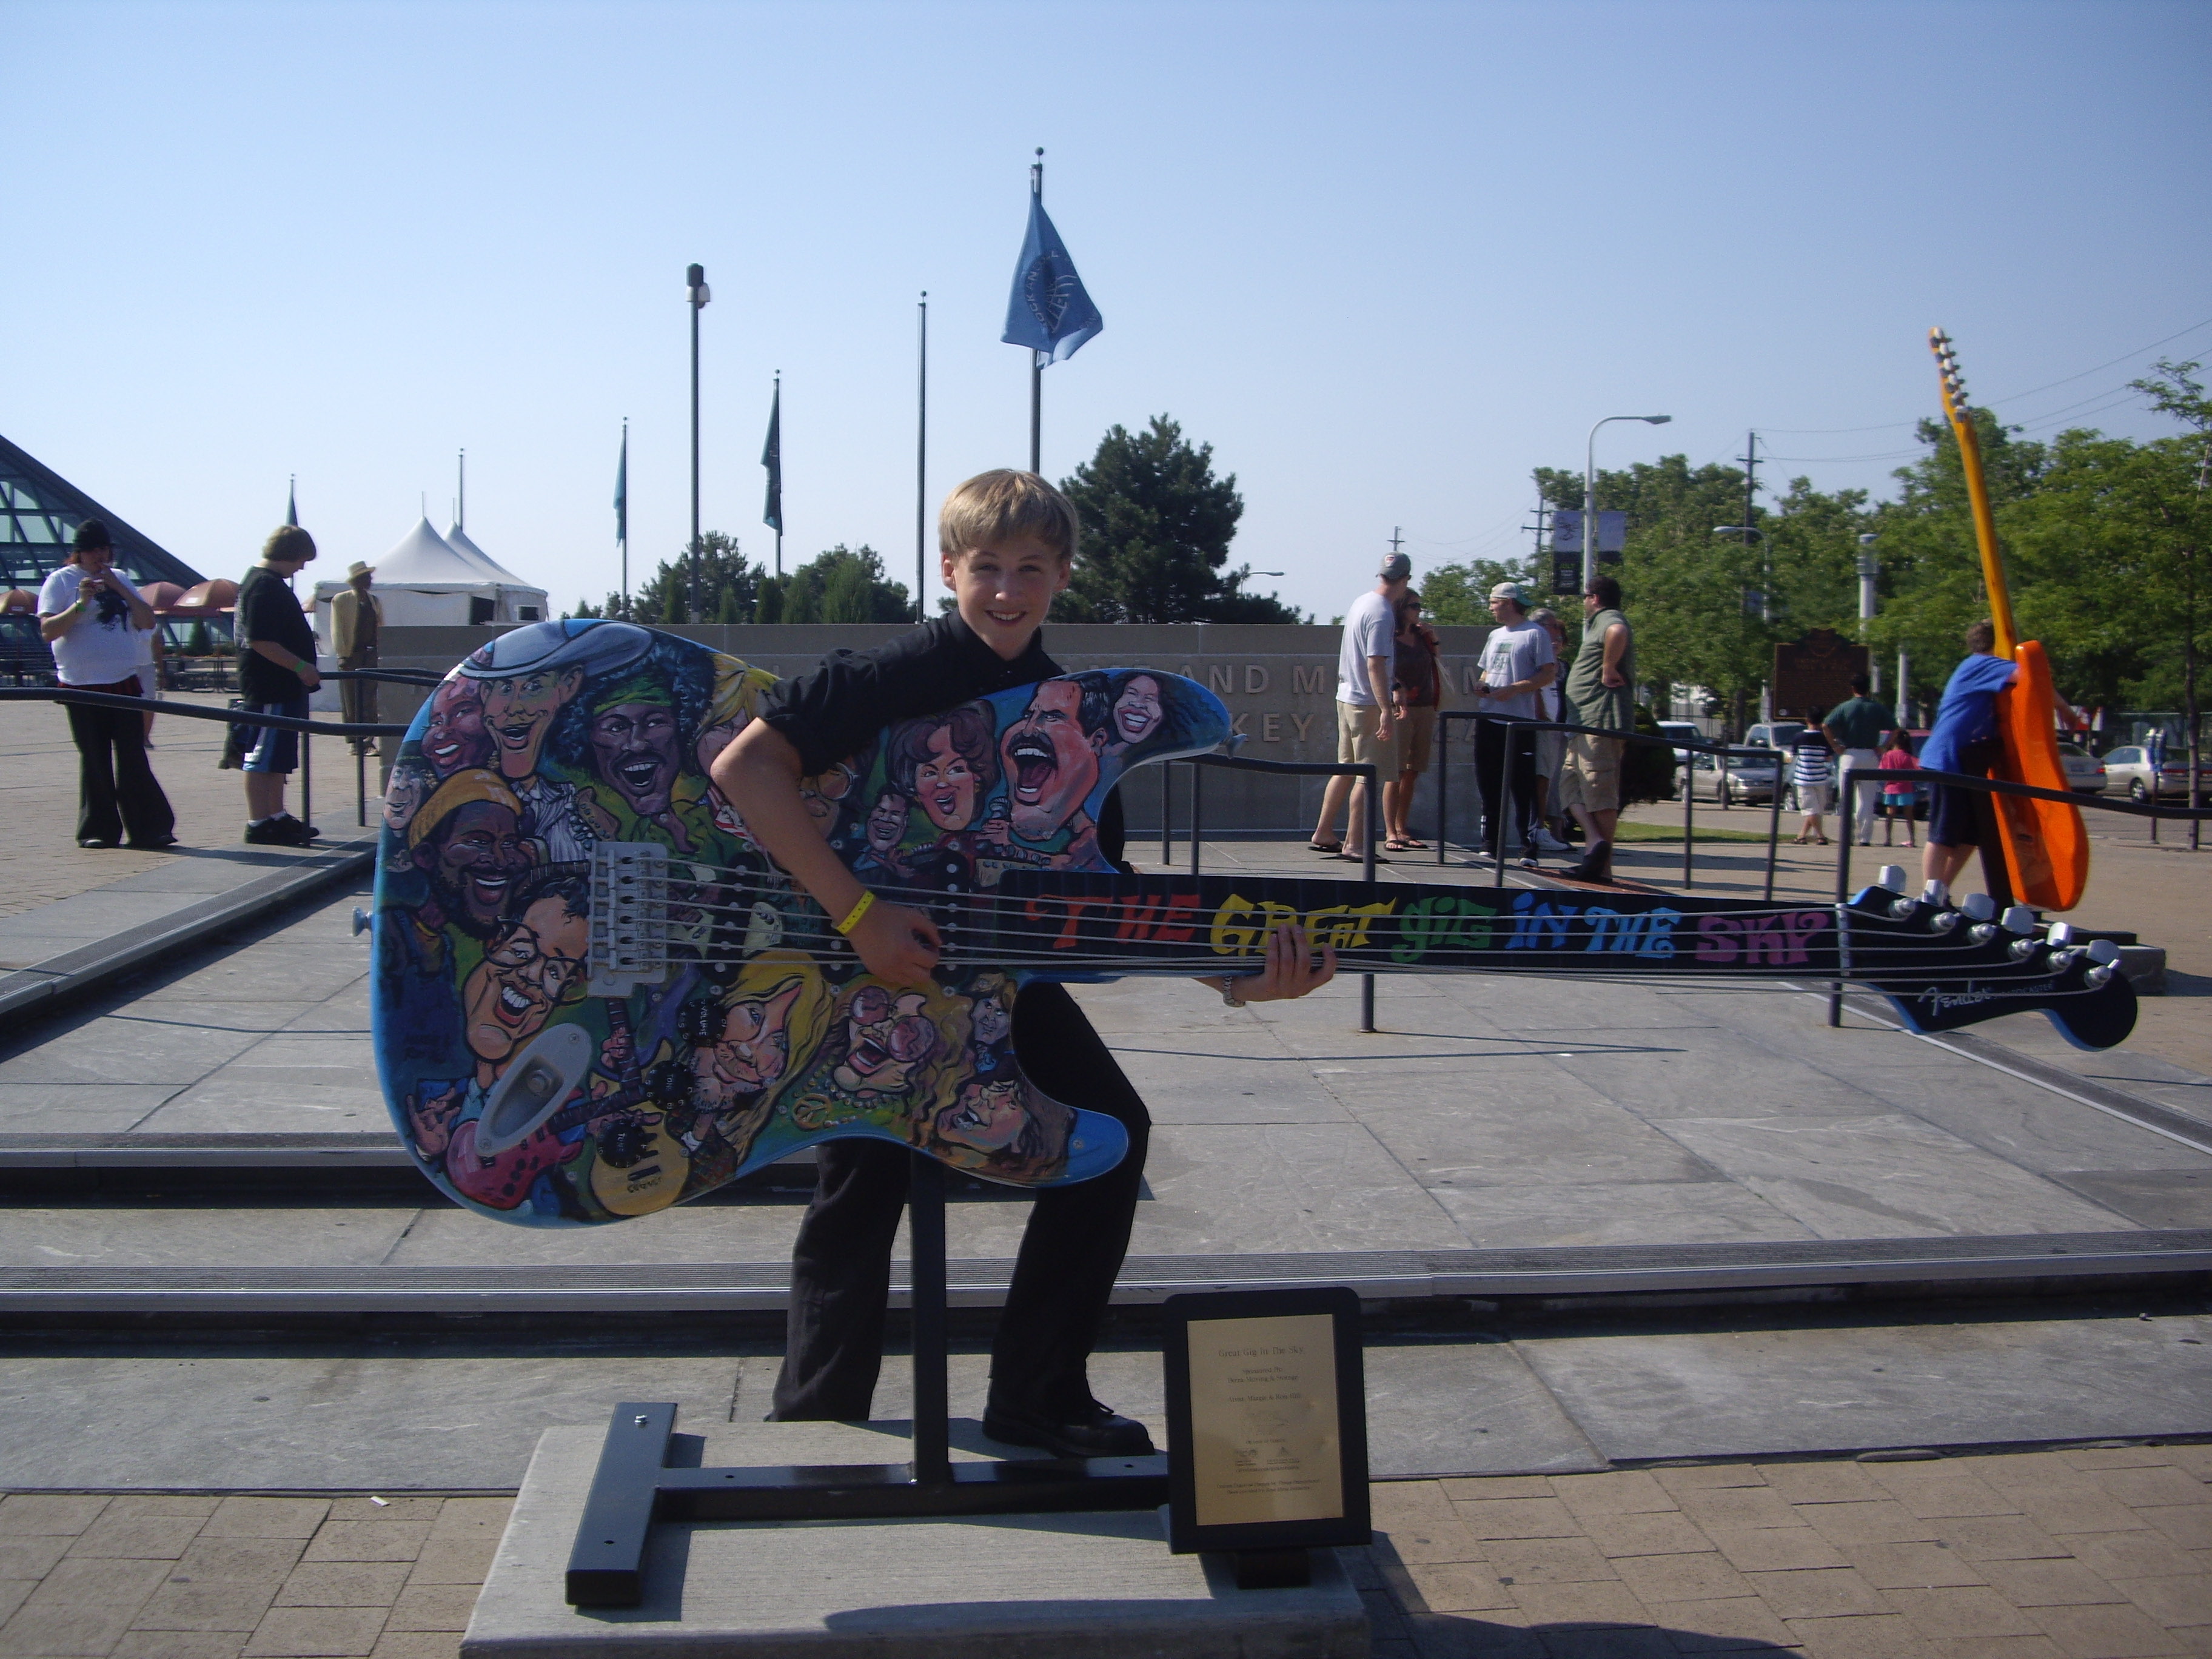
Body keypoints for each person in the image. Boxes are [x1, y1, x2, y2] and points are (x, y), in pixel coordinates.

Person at [711, 468, 1336, 1459]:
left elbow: (1103, 897)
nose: (1007, 590)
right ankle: (817, 1426)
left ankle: (1038, 1398)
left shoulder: (1076, 712)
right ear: (948, 569)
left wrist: (1234, 978)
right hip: (862, 971)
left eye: (1031, 569)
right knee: (860, 1184)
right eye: (987, 567)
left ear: (1064, 575)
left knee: (1113, 1138)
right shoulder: (884, 676)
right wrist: (861, 914)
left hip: (996, 982)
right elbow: (745, 767)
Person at [36, 520, 175, 850]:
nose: (100, 556)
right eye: (93, 551)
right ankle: (97, 829)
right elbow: (49, 631)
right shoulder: (60, 581)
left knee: (132, 756)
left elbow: (147, 621)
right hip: (80, 683)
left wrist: (120, 588)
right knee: (95, 758)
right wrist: (81, 603)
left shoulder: (121, 578)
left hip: (123, 679)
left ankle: (149, 828)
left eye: (104, 550)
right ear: (80, 553)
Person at [1918, 618, 2077, 896]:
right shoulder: (1984, 664)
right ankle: (1929, 896)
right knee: (1944, 835)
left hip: (1965, 762)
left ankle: (1940, 892)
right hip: (1947, 759)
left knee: (1972, 835)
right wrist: (2065, 709)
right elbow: (2032, 679)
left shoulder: (1981, 666)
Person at [1310, 552, 1409, 861]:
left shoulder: (1361, 602)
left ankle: (1324, 831)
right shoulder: (1382, 612)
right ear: (1405, 579)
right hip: (1367, 702)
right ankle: (1355, 845)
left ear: (1381, 575)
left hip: (1347, 696)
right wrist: (1385, 709)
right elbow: (1375, 663)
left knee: (1346, 769)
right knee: (1368, 775)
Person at [233, 525, 324, 845]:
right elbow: (260, 640)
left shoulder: (262, 583)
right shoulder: (265, 586)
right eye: (301, 560)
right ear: (289, 555)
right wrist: (300, 666)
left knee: (278, 757)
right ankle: (259, 821)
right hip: (270, 685)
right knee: (262, 756)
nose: (302, 568)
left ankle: (276, 814)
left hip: (281, 685)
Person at [1469, 581, 1557, 867]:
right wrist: (1482, 685)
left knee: (1523, 786)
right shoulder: (1495, 635)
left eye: (1494, 602)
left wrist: (1515, 689)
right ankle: (1490, 843)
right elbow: (1486, 671)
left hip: (1520, 721)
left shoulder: (1535, 633)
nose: (1491, 608)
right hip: (1489, 717)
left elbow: (1548, 673)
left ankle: (1528, 847)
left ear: (1508, 603)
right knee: (1488, 783)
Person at [1557, 576, 1633, 882]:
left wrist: (1609, 668)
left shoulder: (1609, 619)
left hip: (1599, 722)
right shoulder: (1598, 623)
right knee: (1569, 786)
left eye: (1585, 597)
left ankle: (1602, 868)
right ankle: (1595, 842)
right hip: (1582, 722)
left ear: (1596, 598)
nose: (1584, 603)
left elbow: (1618, 631)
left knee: (1598, 792)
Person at [1383, 589, 1441, 851]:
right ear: (1401, 608)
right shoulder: (1389, 637)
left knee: (1413, 770)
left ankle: (1402, 827)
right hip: (1401, 708)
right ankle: (1390, 832)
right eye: (1414, 606)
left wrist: (1433, 639)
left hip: (1425, 705)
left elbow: (1436, 662)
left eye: (1419, 606)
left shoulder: (1421, 636)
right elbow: (1383, 668)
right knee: (1395, 771)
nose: (1419, 611)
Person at [1526, 606, 1574, 855]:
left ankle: (1553, 830)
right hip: (1538, 727)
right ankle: (1536, 829)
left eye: (1560, 635)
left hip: (1559, 728)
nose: (1557, 636)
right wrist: (1541, 715)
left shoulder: (1562, 666)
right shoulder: (1532, 654)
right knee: (1540, 778)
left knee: (1555, 781)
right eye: (1554, 628)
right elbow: (1534, 686)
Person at [1823, 673, 1891, 846]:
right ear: (1869, 688)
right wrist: (1884, 747)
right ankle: (1865, 838)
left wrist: (1835, 746)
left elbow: (1826, 725)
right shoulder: (1876, 708)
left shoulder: (1846, 707)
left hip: (1850, 754)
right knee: (1867, 800)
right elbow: (1896, 729)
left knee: (1847, 798)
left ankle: (1848, 835)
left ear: (1853, 688)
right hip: (1870, 754)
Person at [332, 560, 382, 757]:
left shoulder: (374, 601)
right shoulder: (342, 600)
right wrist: (343, 654)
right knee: (351, 699)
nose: (370, 580)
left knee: (370, 699)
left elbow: (380, 626)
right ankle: (355, 741)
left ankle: (368, 739)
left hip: (371, 654)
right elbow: (337, 629)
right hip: (351, 655)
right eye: (366, 577)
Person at [1789, 711, 1835, 845]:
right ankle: (1802, 835)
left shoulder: (1798, 737)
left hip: (1803, 778)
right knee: (1816, 810)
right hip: (1820, 778)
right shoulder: (1824, 738)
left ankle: (1821, 836)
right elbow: (1829, 758)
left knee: (1811, 810)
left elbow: (1794, 755)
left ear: (1807, 720)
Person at [1878, 730, 1920, 848]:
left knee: (1890, 815)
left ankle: (1888, 839)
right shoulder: (1908, 757)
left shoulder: (1887, 755)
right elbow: (1919, 768)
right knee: (1909, 815)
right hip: (1906, 788)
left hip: (1891, 788)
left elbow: (1881, 771)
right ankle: (1912, 839)